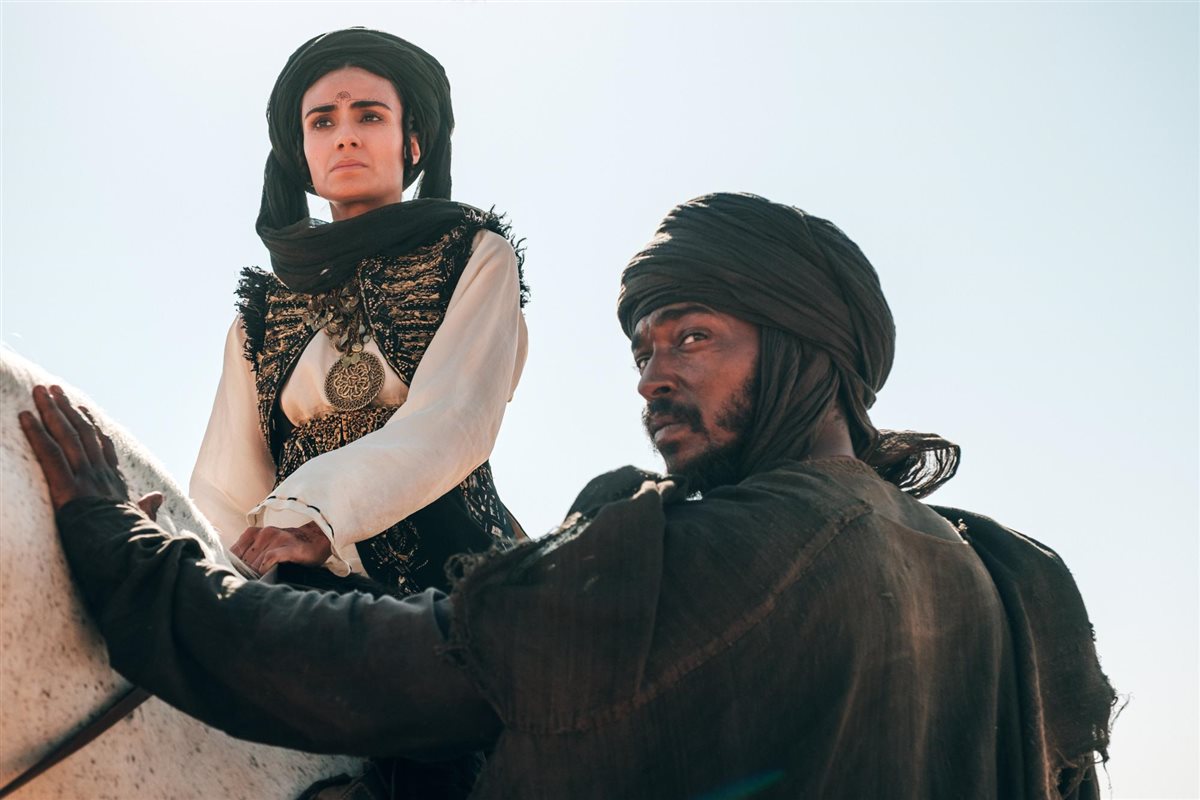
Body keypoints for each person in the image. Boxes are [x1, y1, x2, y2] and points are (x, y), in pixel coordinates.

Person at [20, 193, 1115, 799]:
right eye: (644, 347)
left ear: (807, 349)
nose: (654, 376)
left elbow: (392, 674)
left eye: (694, 336)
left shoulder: (738, 547)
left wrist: (132, 553)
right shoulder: (1003, 574)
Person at [189, 27, 529, 594]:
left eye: (369, 116)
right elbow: (226, 487)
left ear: (411, 143)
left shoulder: (472, 256)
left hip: (453, 570)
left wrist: (319, 517)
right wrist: (225, 573)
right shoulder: (261, 315)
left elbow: (454, 419)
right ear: (303, 154)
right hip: (299, 581)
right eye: (322, 122)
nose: (345, 136)